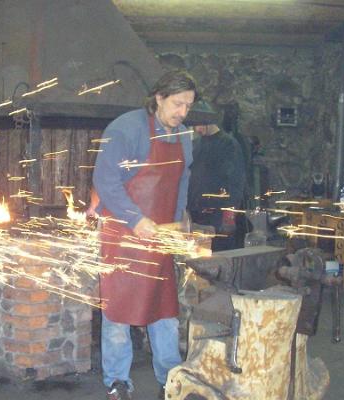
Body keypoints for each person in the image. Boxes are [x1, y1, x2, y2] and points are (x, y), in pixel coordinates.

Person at [93, 70, 197, 400]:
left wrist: (181, 218)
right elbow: (105, 181)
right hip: (123, 236)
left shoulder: (183, 136)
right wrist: (135, 219)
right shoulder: (125, 129)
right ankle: (117, 380)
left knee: (165, 309)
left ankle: (171, 376)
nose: (183, 112)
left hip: (160, 237)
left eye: (188, 106)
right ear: (159, 98)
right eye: (178, 104)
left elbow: (181, 181)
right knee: (118, 310)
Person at [186, 101, 246, 251]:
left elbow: (235, 183)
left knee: (220, 260)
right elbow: (190, 179)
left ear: (208, 121)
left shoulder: (229, 145)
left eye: (198, 124)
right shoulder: (195, 145)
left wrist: (228, 217)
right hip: (197, 216)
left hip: (218, 218)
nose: (196, 129)